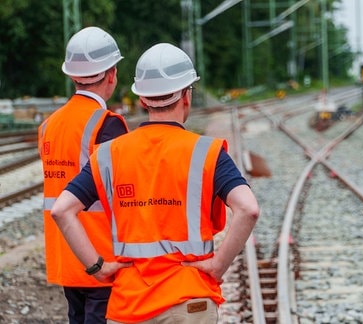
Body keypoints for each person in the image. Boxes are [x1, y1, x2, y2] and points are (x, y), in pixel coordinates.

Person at [51, 43, 260, 323]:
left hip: (128, 306)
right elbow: (248, 209)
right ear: (186, 96)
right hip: (189, 302)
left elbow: (62, 210)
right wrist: (218, 265)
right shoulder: (207, 152)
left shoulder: (109, 155)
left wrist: (97, 267)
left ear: (142, 100)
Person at [38, 26, 128, 324]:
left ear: (71, 76)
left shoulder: (49, 125)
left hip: (66, 254)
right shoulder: (107, 124)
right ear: (112, 74)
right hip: (100, 257)